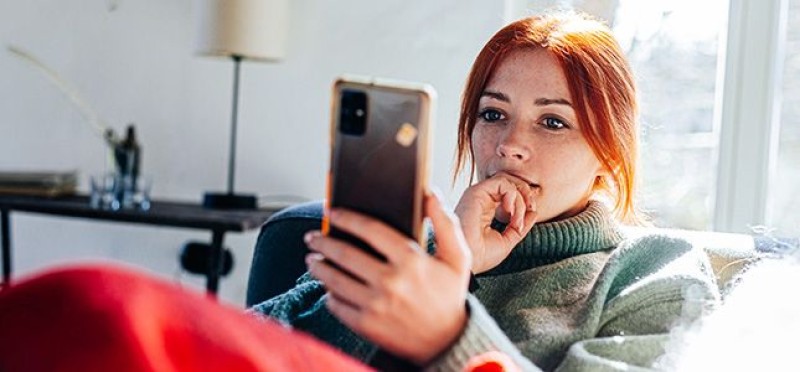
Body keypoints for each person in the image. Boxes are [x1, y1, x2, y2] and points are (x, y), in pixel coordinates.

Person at [249, 10, 720, 371]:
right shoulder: (417, 249)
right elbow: (248, 347)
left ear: (610, 154)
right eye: (493, 114)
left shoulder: (657, 274)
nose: (511, 145)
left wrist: (452, 336)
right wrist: (450, 265)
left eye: (553, 122)